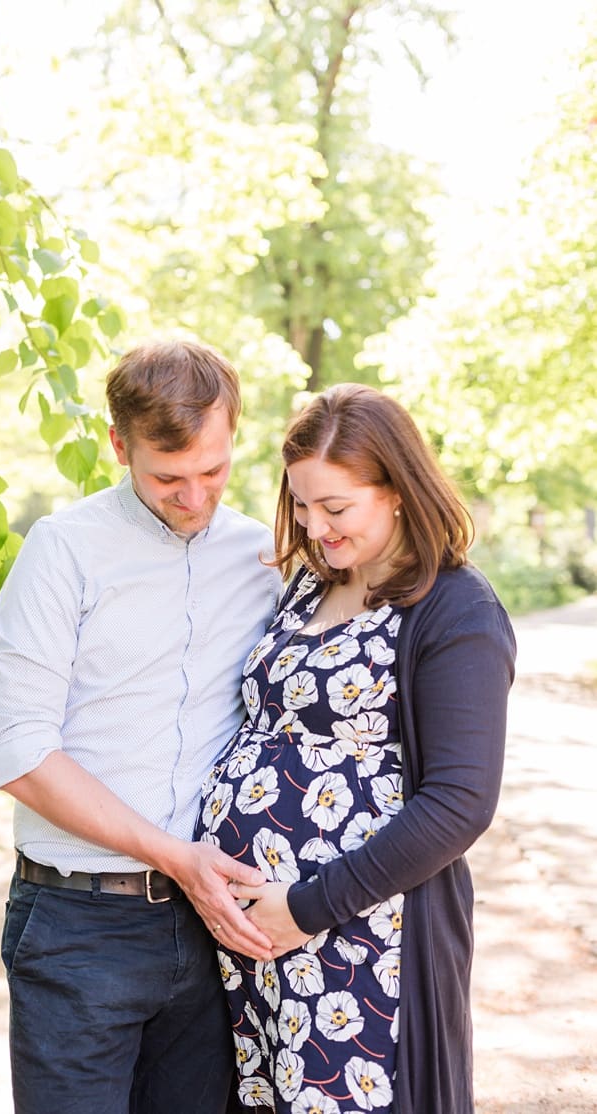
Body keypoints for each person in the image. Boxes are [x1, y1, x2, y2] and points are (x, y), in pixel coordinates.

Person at [0, 338, 282, 1114]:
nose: (194, 496)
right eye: (167, 477)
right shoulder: (62, 552)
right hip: (80, 927)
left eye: (213, 471)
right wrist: (175, 857)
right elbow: (21, 753)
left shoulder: (266, 555)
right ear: (119, 446)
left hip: (217, 933)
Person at [199, 383, 516, 1113]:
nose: (315, 526)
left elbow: (460, 803)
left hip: (361, 943)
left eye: (335, 508)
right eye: (302, 506)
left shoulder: (455, 608)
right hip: (265, 943)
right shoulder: (311, 586)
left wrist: (307, 906)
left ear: (399, 489)